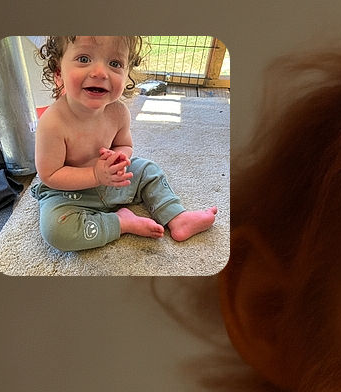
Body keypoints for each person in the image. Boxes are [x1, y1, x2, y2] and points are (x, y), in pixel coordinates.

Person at [31, 35, 216, 253]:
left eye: (115, 63)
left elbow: (124, 145)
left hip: (113, 181)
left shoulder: (118, 112)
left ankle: (177, 217)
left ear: (127, 73)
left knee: (148, 169)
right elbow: (50, 175)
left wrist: (119, 158)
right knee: (55, 230)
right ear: (58, 74)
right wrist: (95, 175)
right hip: (69, 193)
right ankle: (121, 222)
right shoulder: (53, 123)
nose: (100, 72)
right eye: (83, 59)